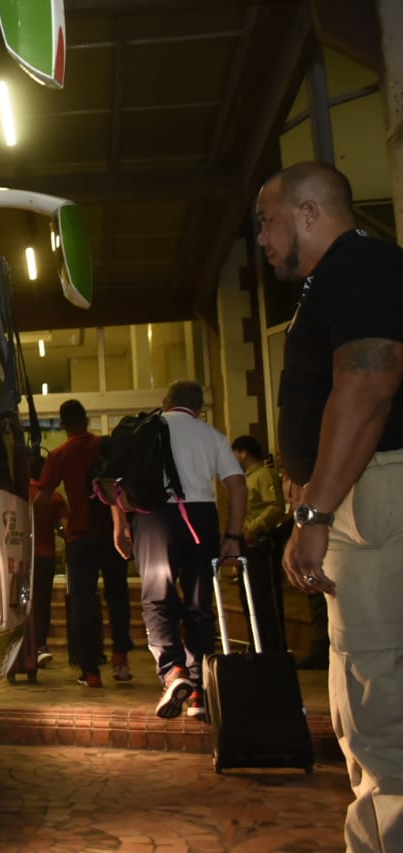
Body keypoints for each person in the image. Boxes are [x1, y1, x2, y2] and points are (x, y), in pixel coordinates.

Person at [256, 160, 403, 852]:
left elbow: (370, 385)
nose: (261, 238)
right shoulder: (342, 278)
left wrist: (316, 512)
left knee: (375, 699)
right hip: (359, 491)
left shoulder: (359, 267)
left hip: (369, 497)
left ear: (308, 212)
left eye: (267, 220)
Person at [111, 380, 245, 721]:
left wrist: (120, 524)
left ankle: (174, 673)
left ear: (165, 402)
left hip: (153, 519)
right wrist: (233, 535)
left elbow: (112, 481)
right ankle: (200, 692)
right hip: (201, 520)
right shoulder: (212, 435)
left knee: (157, 599)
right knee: (199, 606)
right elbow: (237, 485)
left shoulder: (147, 430)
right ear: (199, 407)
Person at [35, 400, 134, 687]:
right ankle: (121, 660)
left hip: (80, 537)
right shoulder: (105, 446)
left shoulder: (60, 454)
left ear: (63, 424)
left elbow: (44, 498)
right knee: (118, 596)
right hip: (111, 531)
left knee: (83, 603)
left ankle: (91, 671)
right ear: (87, 420)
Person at [230, 434, 288, 652]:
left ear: (244, 452)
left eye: (234, 452)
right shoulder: (245, 478)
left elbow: (275, 506)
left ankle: (273, 647)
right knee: (249, 596)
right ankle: (258, 643)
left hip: (261, 543)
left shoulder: (264, 475)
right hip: (247, 544)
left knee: (266, 597)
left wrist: (257, 527)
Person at [29, 452, 68, 668]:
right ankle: (41, 645)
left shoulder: (20, 493)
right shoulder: (54, 497)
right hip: (45, 556)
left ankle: (25, 646)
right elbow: (65, 527)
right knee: (43, 602)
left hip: (23, 556)